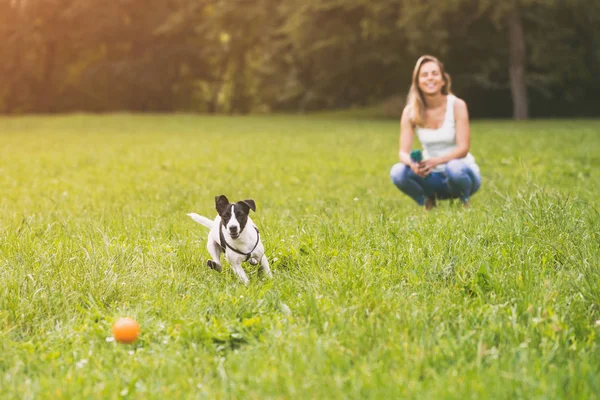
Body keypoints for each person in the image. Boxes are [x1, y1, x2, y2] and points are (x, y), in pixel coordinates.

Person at [390, 55, 481, 210]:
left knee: (454, 168)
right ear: (418, 82)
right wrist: (413, 164)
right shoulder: (410, 112)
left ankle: (465, 202)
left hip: (462, 174)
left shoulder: (457, 105)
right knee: (397, 171)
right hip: (432, 177)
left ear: (443, 80)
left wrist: (436, 161)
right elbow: (403, 153)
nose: (430, 78)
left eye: (434, 73)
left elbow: (463, 149)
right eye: (424, 75)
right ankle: (428, 201)